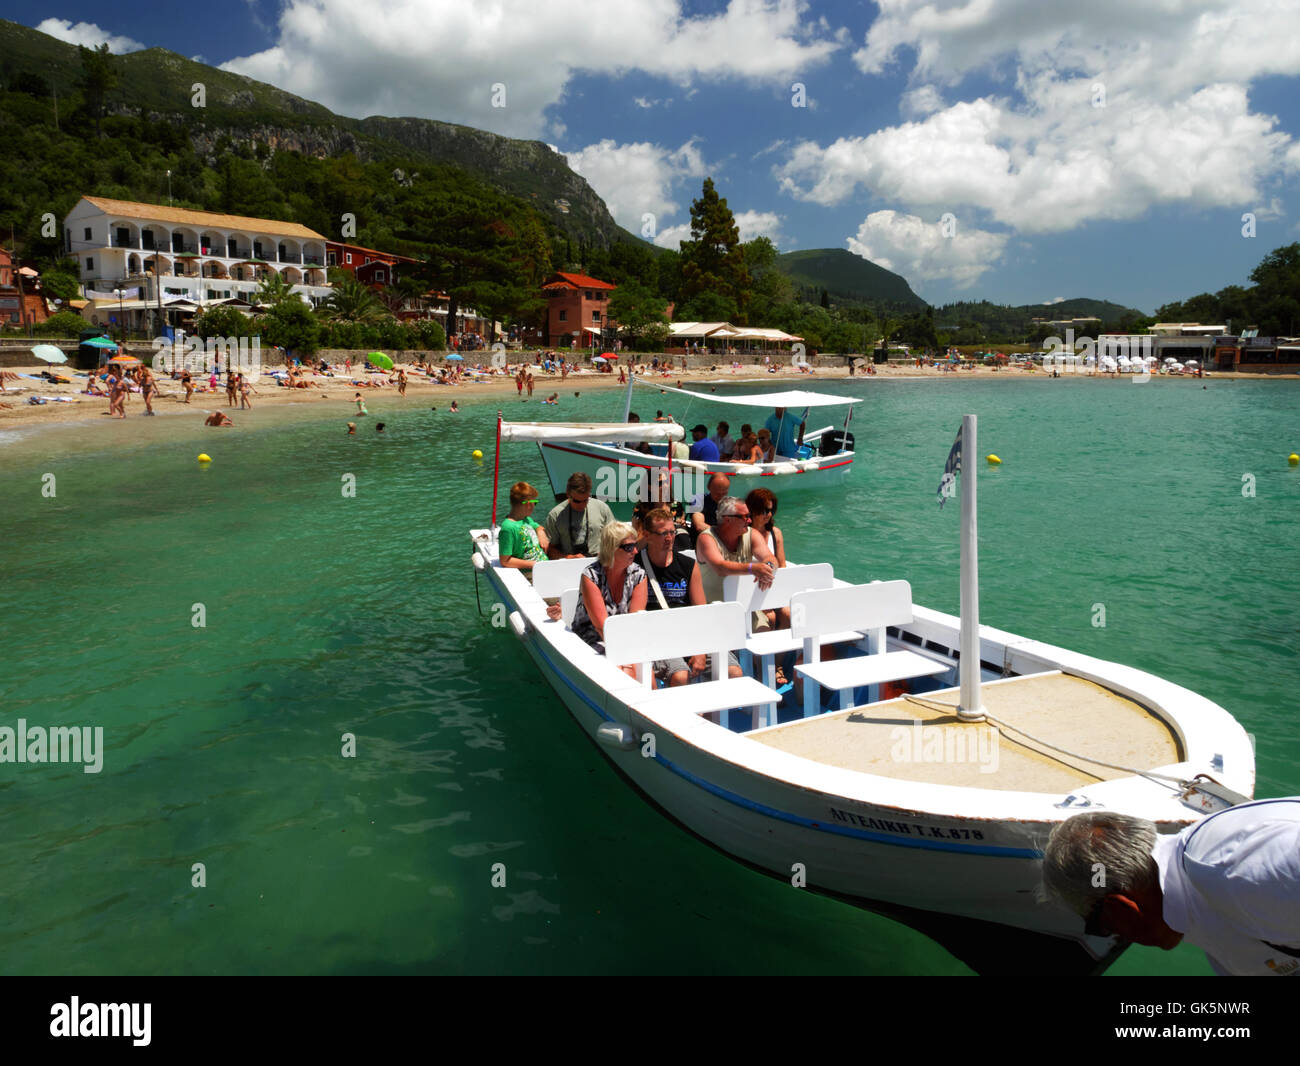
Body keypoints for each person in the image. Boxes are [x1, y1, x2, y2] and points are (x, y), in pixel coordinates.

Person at [1042, 800, 1300, 976]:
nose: (1117, 937)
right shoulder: (1209, 917)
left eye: (1102, 927)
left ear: (1118, 906)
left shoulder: (1242, 875)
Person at [638, 506, 743, 686]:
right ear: (647, 535)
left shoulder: (688, 565)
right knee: (681, 676)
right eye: (663, 534)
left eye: (672, 532)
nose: (670, 538)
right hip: (657, 638)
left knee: (734, 672)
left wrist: (700, 651)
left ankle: (711, 714)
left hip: (688, 633)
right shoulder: (636, 567)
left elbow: (700, 611)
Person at [570, 522, 647, 676]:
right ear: (611, 549)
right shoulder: (591, 576)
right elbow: (602, 627)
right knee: (625, 673)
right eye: (629, 547)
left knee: (647, 674)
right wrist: (625, 661)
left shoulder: (638, 575)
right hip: (593, 637)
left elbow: (634, 623)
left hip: (626, 637)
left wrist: (632, 657)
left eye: (635, 545)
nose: (636, 551)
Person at [695, 495, 776, 604]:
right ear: (728, 519)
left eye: (749, 515)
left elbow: (770, 557)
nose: (750, 520)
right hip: (713, 609)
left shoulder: (752, 534)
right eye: (745, 516)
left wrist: (768, 570)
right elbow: (720, 568)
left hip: (745, 606)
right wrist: (752, 568)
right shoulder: (706, 539)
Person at [544, 471, 615, 559]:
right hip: (569, 562)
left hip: (598, 560)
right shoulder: (555, 515)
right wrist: (568, 557)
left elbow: (614, 539)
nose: (582, 505)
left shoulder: (602, 508)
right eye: (577, 501)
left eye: (586, 500)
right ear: (568, 494)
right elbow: (550, 549)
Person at [498, 481, 551, 573]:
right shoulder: (508, 528)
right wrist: (534, 564)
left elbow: (538, 527)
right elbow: (504, 561)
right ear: (528, 504)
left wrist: (541, 533)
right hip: (531, 572)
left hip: (543, 567)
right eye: (535, 503)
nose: (534, 506)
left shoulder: (526, 519)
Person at [689, 472, 731, 545]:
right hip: (701, 542)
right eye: (717, 493)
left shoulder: (731, 504)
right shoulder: (697, 499)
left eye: (724, 493)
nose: (721, 496)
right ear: (709, 487)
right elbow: (699, 526)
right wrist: (723, 535)